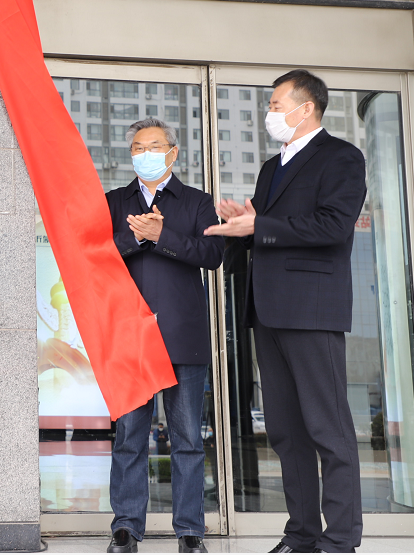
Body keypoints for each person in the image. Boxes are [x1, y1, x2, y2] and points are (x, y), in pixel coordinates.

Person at [204, 69, 366, 554]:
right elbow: (272, 229)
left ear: (306, 107)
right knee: (286, 433)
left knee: (327, 428)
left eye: (276, 104)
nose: (270, 113)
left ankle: (340, 539)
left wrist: (262, 225)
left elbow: (333, 227)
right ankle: (302, 534)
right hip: (269, 311)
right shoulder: (272, 168)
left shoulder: (341, 157)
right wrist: (245, 227)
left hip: (312, 312)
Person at [104, 118, 224, 555]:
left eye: (153, 146)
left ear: (173, 152)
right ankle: (125, 528)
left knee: (188, 439)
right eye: (137, 146)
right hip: (130, 336)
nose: (145, 153)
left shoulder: (195, 202)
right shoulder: (116, 201)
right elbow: (97, 253)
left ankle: (190, 530)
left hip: (183, 335)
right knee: (129, 438)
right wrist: (137, 239)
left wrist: (163, 236)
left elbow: (213, 254)